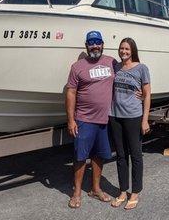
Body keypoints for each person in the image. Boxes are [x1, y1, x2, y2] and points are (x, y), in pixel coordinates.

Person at [65, 30, 116, 209]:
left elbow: (125, 77)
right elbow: (70, 92)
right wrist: (71, 120)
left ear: (103, 44)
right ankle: (76, 193)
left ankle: (96, 189)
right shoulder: (77, 66)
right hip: (84, 119)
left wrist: (140, 91)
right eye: (91, 43)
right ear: (86, 46)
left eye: (98, 42)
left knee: (99, 156)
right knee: (80, 157)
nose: (95, 46)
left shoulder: (111, 62)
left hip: (104, 120)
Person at [109, 37, 151, 210]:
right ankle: (123, 191)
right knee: (120, 155)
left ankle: (135, 192)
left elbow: (147, 94)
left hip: (133, 116)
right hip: (115, 116)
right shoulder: (116, 67)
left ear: (132, 51)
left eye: (127, 49)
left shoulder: (142, 68)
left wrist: (145, 119)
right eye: (121, 49)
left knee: (136, 155)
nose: (123, 52)